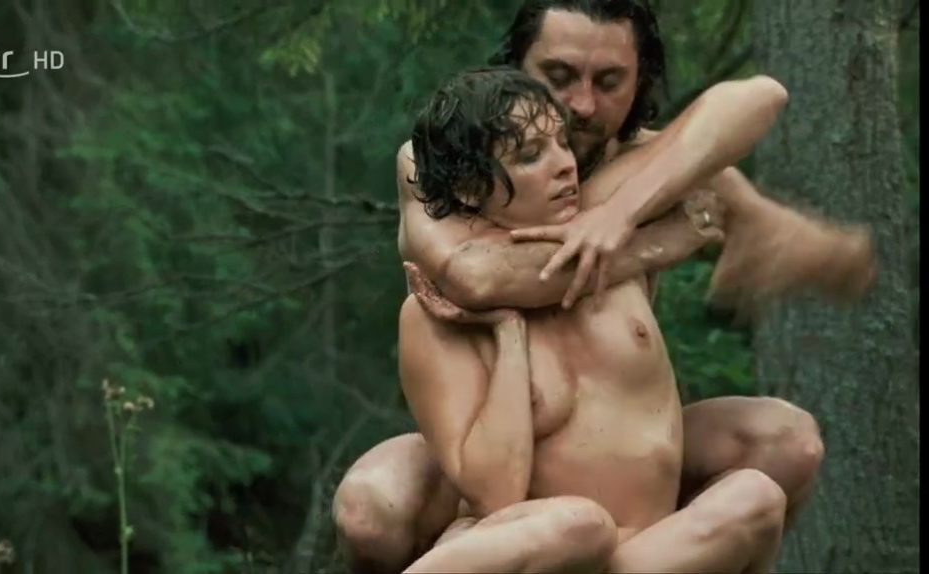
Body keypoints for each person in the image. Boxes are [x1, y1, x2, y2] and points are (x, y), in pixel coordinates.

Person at [334, 1, 875, 572]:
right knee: (373, 507)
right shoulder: (442, 159)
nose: (582, 105)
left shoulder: (659, 166)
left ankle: (653, 550)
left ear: (641, 82)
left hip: (623, 455)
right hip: (493, 454)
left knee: (788, 443)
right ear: (519, 65)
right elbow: (477, 277)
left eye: (610, 81)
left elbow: (762, 99)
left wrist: (622, 214)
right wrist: (656, 242)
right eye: (559, 75)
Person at [397, 66, 787, 573]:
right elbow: (496, 495)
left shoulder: (618, 255)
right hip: (542, 550)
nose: (565, 165)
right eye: (531, 155)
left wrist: (664, 233)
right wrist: (508, 332)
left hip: (649, 555)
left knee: (756, 495)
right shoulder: (436, 314)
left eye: (562, 143)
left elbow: (749, 109)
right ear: (470, 189)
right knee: (581, 525)